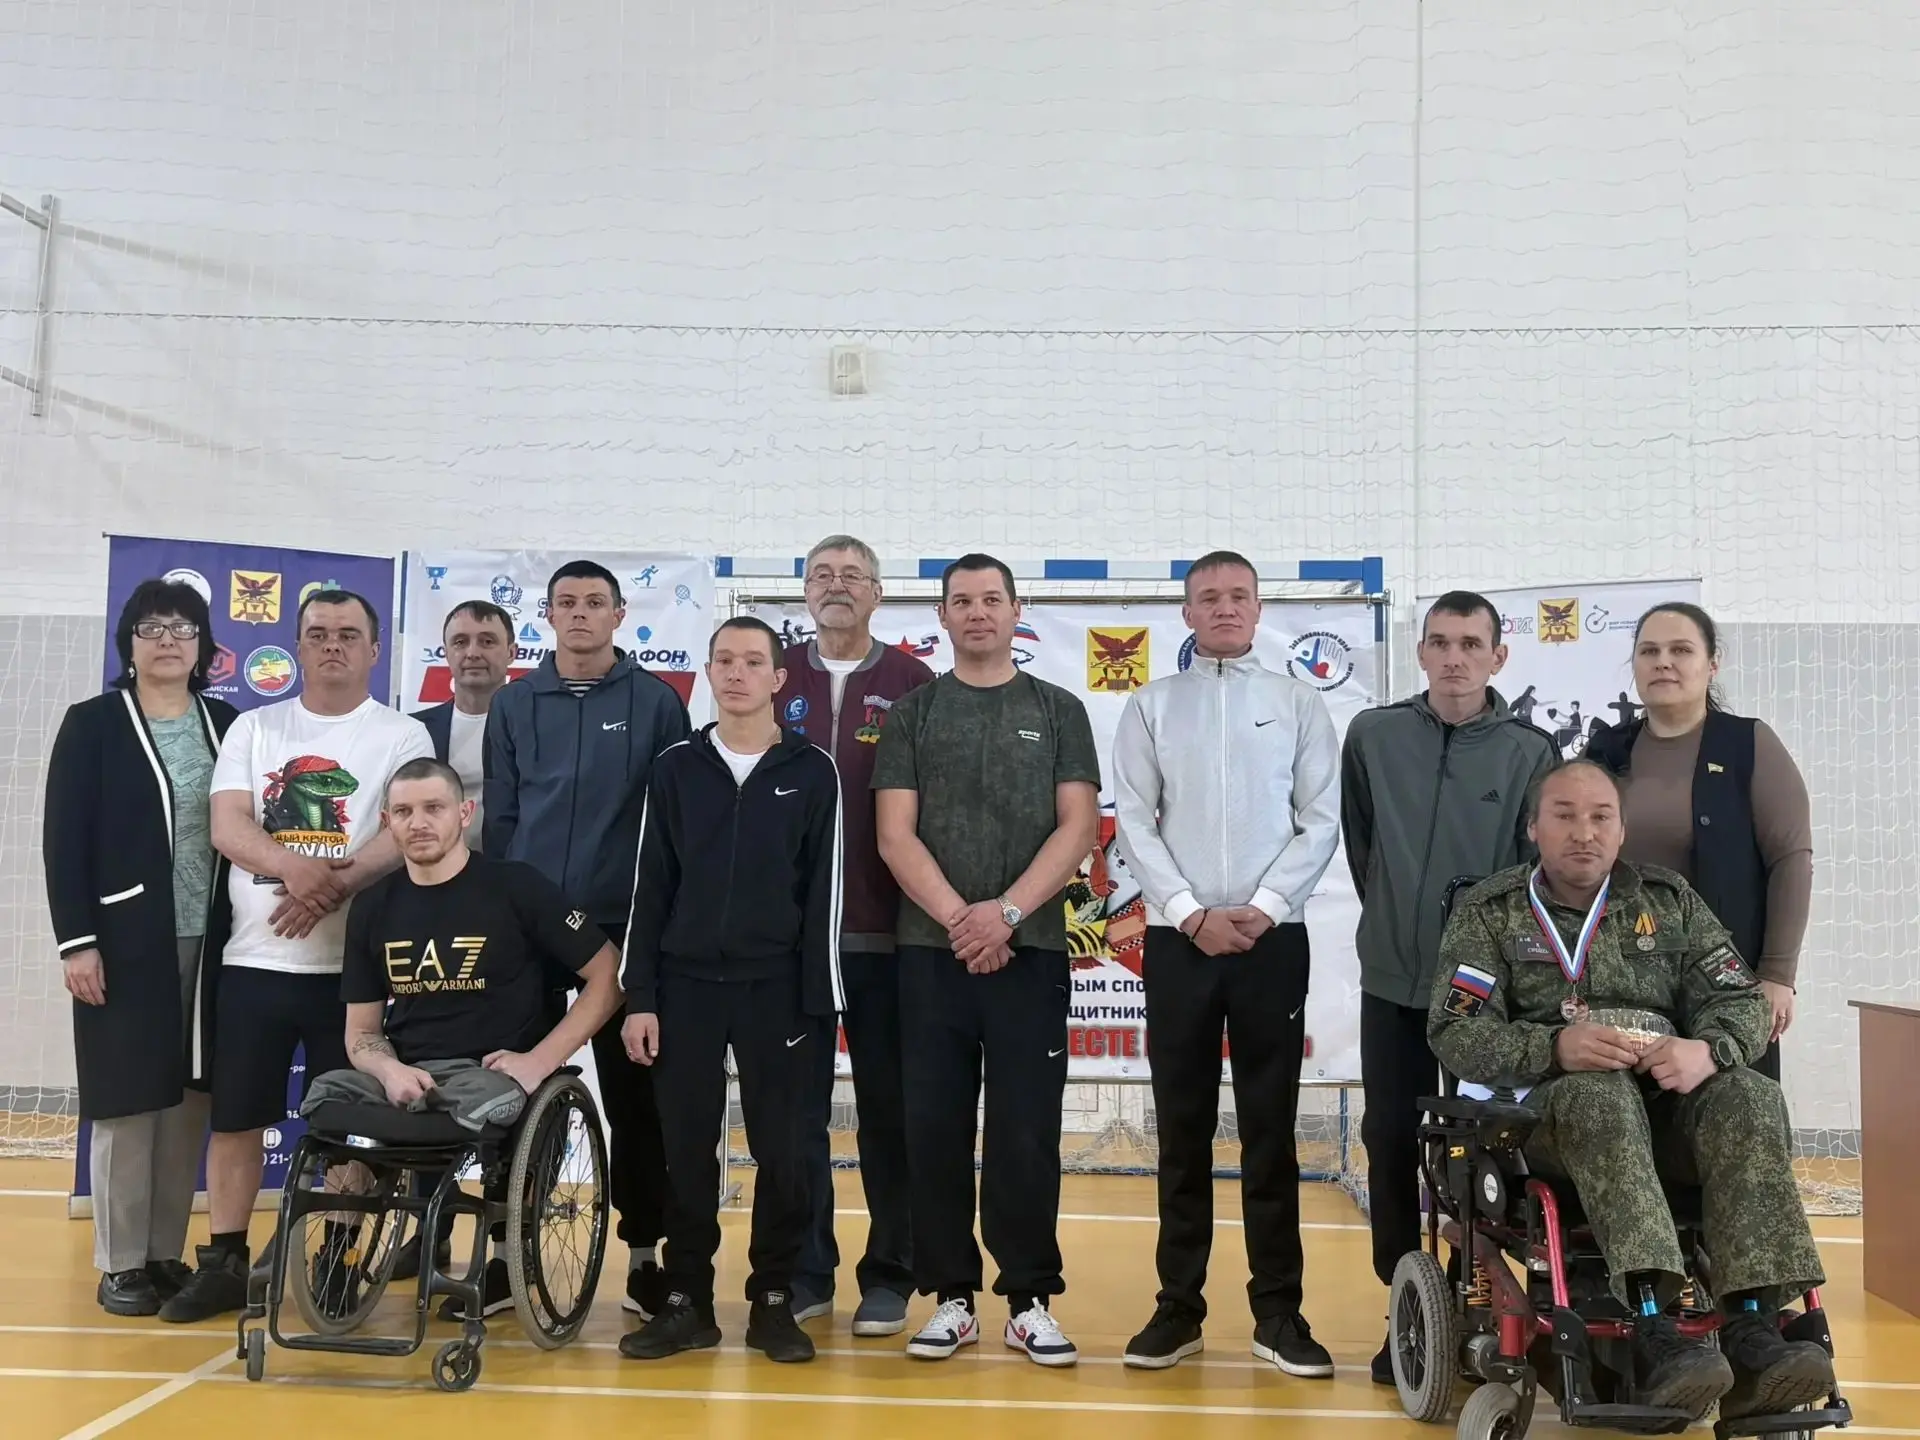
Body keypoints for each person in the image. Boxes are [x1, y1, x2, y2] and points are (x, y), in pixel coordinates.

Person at [1429, 762, 1833, 1424]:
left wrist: (1706, 1051)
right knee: (1599, 1097)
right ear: (1533, 828)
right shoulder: (1491, 914)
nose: (1583, 832)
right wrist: (1552, 1048)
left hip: (1664, 1108)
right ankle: (1654, 1331)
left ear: (1622, 831)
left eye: (1600, 817)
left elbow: (1742, 1001)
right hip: (1549, 1122)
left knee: (1750, 1098)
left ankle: (1755, 1333)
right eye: (1564, 815)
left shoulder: (1668, 901)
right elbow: (1455, 1032)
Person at [160, 589, 433, 1322]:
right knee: (236, 1119)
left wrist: (327, 886)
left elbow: (402, 830)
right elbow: (228, 826)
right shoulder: (255, 727)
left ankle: (336, 1260)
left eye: (348, 633)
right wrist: (295, 869)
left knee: (347, 1127)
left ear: (374, 649)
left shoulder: (403, 735)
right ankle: (224, 1261)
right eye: (318, 634)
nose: (332, 644)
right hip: (253, 963)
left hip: (353, 974)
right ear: (300, 647)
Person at [1109, 551, 1341, 1376]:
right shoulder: (1151, 705)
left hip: (1272, 941)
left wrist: (1266, 907)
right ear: (1186, 612)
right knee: (1182, 1131)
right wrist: (1188, 913)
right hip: (1182, 944)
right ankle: (1179, 1309)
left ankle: (1279, 1314)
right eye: (1208, 597)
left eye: (1238, 595)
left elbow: (1320, 818)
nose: (1224, 608)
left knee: (1271, 1132)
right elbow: (1134, 819)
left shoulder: (1298, 703)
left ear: (1258, 607)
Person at [874, 554, 1101, 1368]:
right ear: (941, 615)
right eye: (962, 600)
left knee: (1025, 1134)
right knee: (933, 1129)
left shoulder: (1059, 709)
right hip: (930, 956)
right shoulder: (914, 714)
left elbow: (1078, 826)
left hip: (1030, 952)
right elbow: (893, 834)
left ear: (1016, 610)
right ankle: (951, 1298)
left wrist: (1003, 915)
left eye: (991, 599)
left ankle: (1030, 1299)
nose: (977, 612)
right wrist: (960, 922)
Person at [1337, 590, 1558, 1382]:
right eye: (1440, 642)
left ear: (1499, 656)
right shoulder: (1373, 736)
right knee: (1390, 1139)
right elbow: (1363, 848)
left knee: (1484, 1148)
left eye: (1470, 643)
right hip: (1393, 983)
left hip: (1483, 998)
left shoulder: (1530, 752)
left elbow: (1530, 876)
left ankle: (1486, 1305)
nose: (1454, 657)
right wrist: (1398, 928)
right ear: (1421, 652)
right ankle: (1408, 1307)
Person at [616, 617, 844, 1365]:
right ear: (709, 673)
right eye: (724, 660)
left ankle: (774, 1299)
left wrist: (820, 1000)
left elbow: (825, 894)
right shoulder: (676, 767)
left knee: (785, 1152)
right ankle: (686, 1300)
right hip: (685, 988)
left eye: (753, 661)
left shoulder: (813, 770)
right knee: (685, 1151)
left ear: (779, 678)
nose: (737, 673)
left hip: (779, 990)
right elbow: (651, 886)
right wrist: (641, 996)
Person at [327, 758, 622, 1314]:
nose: (419, 823)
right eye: (404, 812)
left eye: (433, 808)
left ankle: (507, 1261)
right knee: (338, 1107)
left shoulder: (517, 888)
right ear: (387, 823)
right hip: (413, 1074)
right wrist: (389, 1070)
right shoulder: (372, 907)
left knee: (508, 1109)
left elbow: (609, 975)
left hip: (498, 1074)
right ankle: (338, 1254)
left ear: (464, 813)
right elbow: (361, 1033)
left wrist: (539, 1062)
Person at [484, 560, 691, 1317]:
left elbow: (670, 823)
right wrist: (508, 911)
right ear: (546, 615)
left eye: (594, 602)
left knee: (639, 1100)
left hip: (621, 928)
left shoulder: (656, 702)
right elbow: (502, 818)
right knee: (513, 1089)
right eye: (565, 602)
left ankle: (644, 1256)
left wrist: (653, 927)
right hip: (531, 930)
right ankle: (506, 1255)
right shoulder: (513, 704)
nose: (579, 614)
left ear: (618, 614)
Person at [43, 579, 238, 1316]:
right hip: (123, 944)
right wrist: (78, 943)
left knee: (188, 1100)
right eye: (152, 627)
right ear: (128, 643)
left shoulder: (226, 723)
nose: (167, 640)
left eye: (183, 628)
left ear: (203, 646)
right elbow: (64, 841)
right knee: (127, 1100)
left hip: (215, 941)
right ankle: (120, 1261)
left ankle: (162, 1254)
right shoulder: (93, 723)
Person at [774, 535, 933, 1337]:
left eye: (852, 576)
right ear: (805, 591)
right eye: (821, 575)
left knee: (890, 1113)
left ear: (878, 592)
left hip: (888, 934)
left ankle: (891, 1274)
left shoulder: (913, 683)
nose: (836, 587)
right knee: (795, 1114)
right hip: (790, 942)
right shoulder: (772, 675)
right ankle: (806, 1271)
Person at [1586, 603, 1812, 1082]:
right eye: (1649, 651)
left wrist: (1777, 975)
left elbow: (1790, 860)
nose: (1663, 662)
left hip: (1723, 987)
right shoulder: (1604, 750)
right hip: (1620, 985)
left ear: (1712, 664)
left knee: (1732, 1112)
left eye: (1681, 650)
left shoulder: (1748, 744)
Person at [411, 598, 516, 844]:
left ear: (512, 653)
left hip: (511, 864)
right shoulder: (414, 731)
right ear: (446, 653)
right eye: (460, 642)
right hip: (434, 864)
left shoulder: (535, 729)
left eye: (487, 642)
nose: (473, 653)